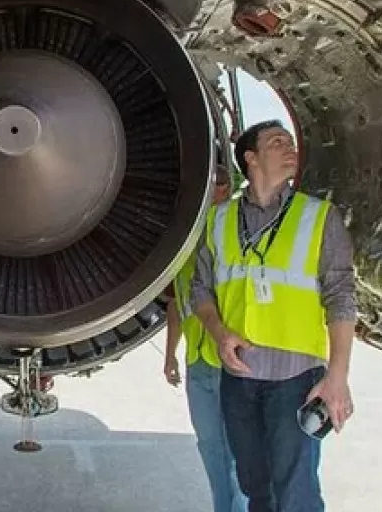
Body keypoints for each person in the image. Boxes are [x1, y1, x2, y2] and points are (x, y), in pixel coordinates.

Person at [191, 120, 357, 512]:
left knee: (295, 491)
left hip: (296, 380)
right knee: (255, 488)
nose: (290, 149)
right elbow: (200, 290)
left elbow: (341, 298)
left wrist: (337, 377)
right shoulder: (218, 221)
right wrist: (219, 333)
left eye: (290, 142)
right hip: (240, 380)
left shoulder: (319, 218)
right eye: (277, 142)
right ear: (250, 158)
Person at [162, 168, 246, 512]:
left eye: (210, 188)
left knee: (238, 450)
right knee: (211, 449)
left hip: (233, 366)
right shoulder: (183, 241)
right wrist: (170, 355)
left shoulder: (234, 235)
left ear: (224, 191)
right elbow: (176, 304)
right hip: (199, 364)